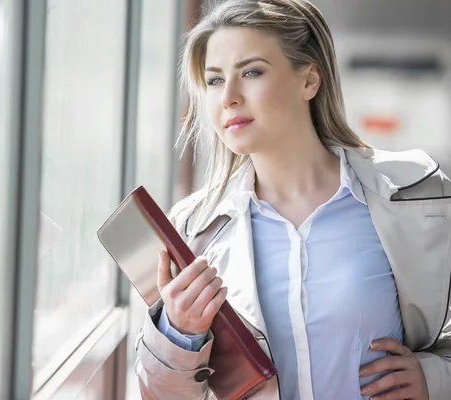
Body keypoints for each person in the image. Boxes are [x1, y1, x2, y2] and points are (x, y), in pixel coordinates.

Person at [134, 0, 451, 399]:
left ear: (309, 81)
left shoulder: (415, 196)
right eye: (214, 80)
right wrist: (178, 335)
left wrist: (435, 378)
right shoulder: (193, 231)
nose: (228, 97)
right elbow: (159, 395)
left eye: (251, 72)